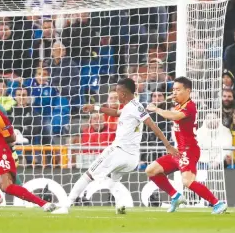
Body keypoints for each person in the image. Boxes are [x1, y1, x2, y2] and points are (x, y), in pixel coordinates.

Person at [53, 78, 177, 215]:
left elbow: (153, 126)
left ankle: (66, 206)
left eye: (117, 92)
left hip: (118, 152)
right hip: (132, 159)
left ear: (123, 93)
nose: (116, 95)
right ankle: (120, 205)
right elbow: (117, 113)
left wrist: (168, 146)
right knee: (113, 181)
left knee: (88, 175)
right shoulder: (135, 106)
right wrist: (95, 108)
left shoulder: (133, 107)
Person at [146, 76, 228, 214]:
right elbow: (172, 112)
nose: (174, 93)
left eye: (178, 90)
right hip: (179, 150)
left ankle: (217, 203)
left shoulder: (190, 106)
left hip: (189, 151)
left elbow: (173, 116)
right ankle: (176, 196)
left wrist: (156, 109)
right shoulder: (179, 105)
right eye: (173, 90)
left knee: (188, 182)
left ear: (188, 91)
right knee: (151, 170)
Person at [0, 84, 56, 212]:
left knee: (7, 187)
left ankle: (43, 203)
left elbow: (11, 137)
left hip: (0, 152)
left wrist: (3, 148)